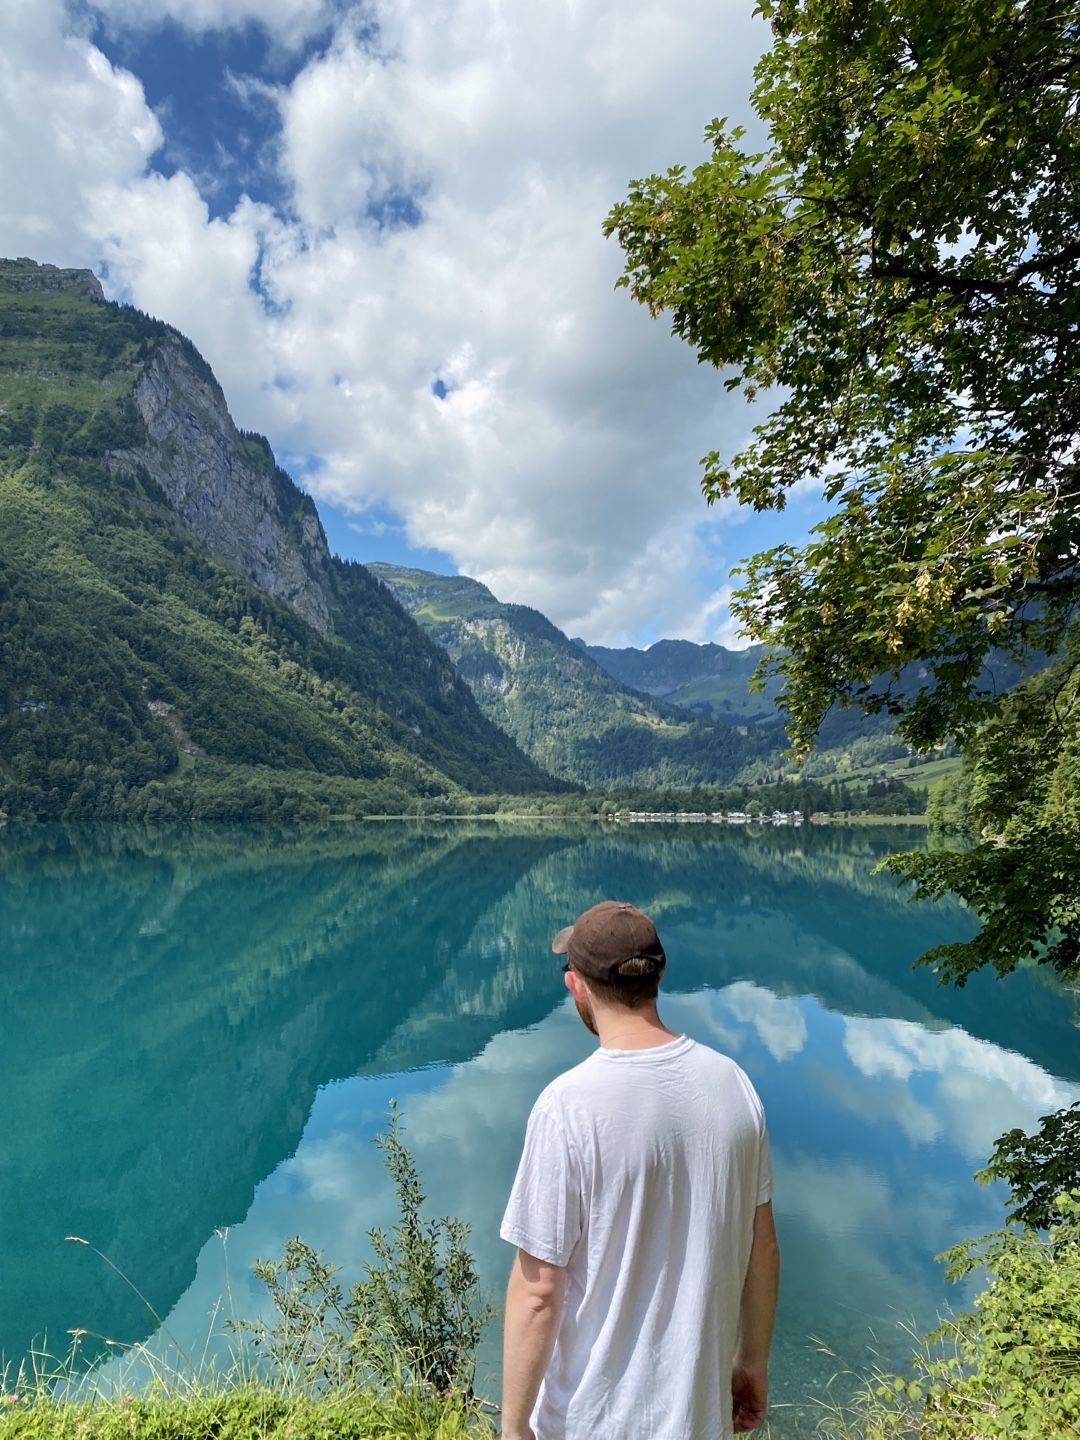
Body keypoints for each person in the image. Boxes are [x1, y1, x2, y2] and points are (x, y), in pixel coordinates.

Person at [499, 900, 779, 1440]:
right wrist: (752, 1361)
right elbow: (761, 1247)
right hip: (700, 1421)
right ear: (659, 976)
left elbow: (538, 1290)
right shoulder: (735, 1086)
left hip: (591, 1424)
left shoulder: (567, 1108)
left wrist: (513, 1428)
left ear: (575, 985)